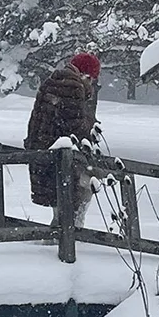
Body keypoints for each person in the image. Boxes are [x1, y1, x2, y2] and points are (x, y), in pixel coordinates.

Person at [24, 52, 101, 230]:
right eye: (92, 79)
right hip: (60, 160)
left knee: (60, 208)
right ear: (86, 75)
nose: (92, 83)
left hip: (42, 155)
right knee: (72, 208)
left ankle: (60, 245)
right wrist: (91, 132)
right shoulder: (73, 86)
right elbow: (74, 128)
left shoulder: (53, 81)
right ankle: (66, 248)